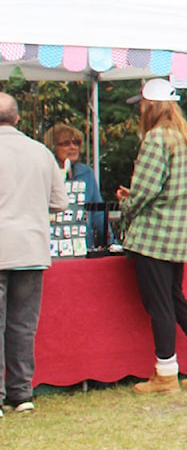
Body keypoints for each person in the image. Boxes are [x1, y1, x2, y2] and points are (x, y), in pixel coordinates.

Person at [117, 79, 187, 394]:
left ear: (151, 105)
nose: (140, 109)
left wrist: (127, 202)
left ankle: (166, 373)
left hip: (154, 235)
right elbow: (168, 189)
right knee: (175, 300)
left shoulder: (156, 138)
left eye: (141, 104)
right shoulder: (185, 137)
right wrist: (138, 194)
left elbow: (146, 191)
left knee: (160, 304)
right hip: (178, 233)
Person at [0, 92, 68, 415]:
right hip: (31, 247)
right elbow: (59, 202)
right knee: (23, 325)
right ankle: (21, 392)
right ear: (17, 118)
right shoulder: (40, 152)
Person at [43, 124, 109, 249]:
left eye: (76, 143)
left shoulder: (86, 173)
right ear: (52, 147)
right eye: (66, 143)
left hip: (82, 244)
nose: (73, 147)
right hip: (51, 243)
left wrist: (110, 243)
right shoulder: (44, 172)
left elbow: (98, 212)